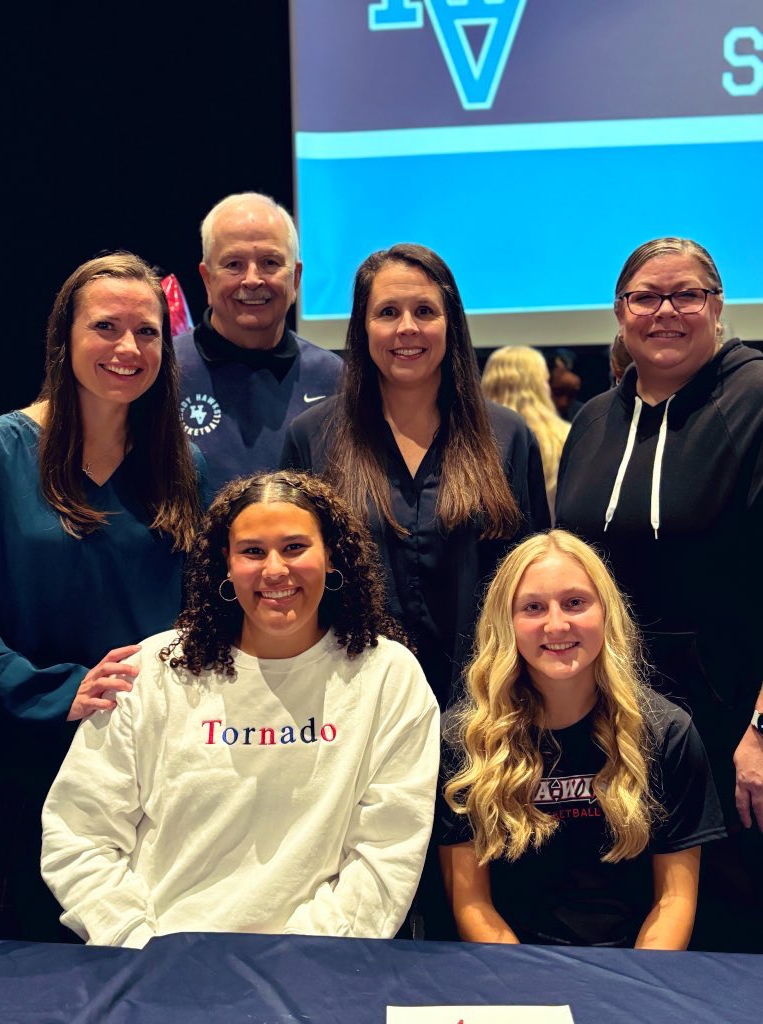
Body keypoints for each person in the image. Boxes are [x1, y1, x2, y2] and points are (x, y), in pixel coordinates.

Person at [41, 471, 440, 947]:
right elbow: (78, 835)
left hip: (316, 964)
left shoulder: (388, 676)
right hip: (160, 959)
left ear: (331, 555)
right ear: (225, 565)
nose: (275, 570)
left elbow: (387, 851)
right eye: (252, 551)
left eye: (294, 547)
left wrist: (307, 959)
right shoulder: (153, 669)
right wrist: (140, 947)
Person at [555, 236, 763, 952]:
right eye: (645, 297)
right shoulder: (593, 422)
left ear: (718, 306)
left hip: (734, 731)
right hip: (616, 729)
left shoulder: (756, 400)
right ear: (620, 313)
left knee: (731, 941)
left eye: (687, 295)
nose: (665, 311)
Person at [0, 252, 204, 940]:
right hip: (29, 758)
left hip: (154, 772)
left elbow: (206, 612)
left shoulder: (185, 468)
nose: (128, 348)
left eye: (147, 332)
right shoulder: (3, 453)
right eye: (106, 327)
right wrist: (57, 690)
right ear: (65, 337)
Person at [281, 243, 550, 711]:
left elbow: (534, 583)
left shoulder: (507, 437)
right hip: (351, 707)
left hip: (485, 710)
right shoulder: (313, 438)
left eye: (425, 311)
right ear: (363, 327)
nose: (407, 327)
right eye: (388, 312)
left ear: (451, 323)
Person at [439, 530, 725, 949]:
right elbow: (471, 904)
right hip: (510, 964)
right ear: (506, 623)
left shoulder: (667, 732)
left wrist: (635, 983)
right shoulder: (464, 738)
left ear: (606, 611)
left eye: (575, 602)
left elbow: (674, 900)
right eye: (533, 607)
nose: (556, 624)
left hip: (634, 963)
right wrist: (524, 986)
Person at [175, 192, 343, 494]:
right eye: (234, 264)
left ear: (296, 278)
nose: (252, 280)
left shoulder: (333, 377)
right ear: (207, 279)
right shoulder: (164, 371)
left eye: (270, 262)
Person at [481, 346, 570, 521]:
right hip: (553, 535)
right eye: (546, 381)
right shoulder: (563, 437)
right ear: (540, 385)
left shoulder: (469, 439)